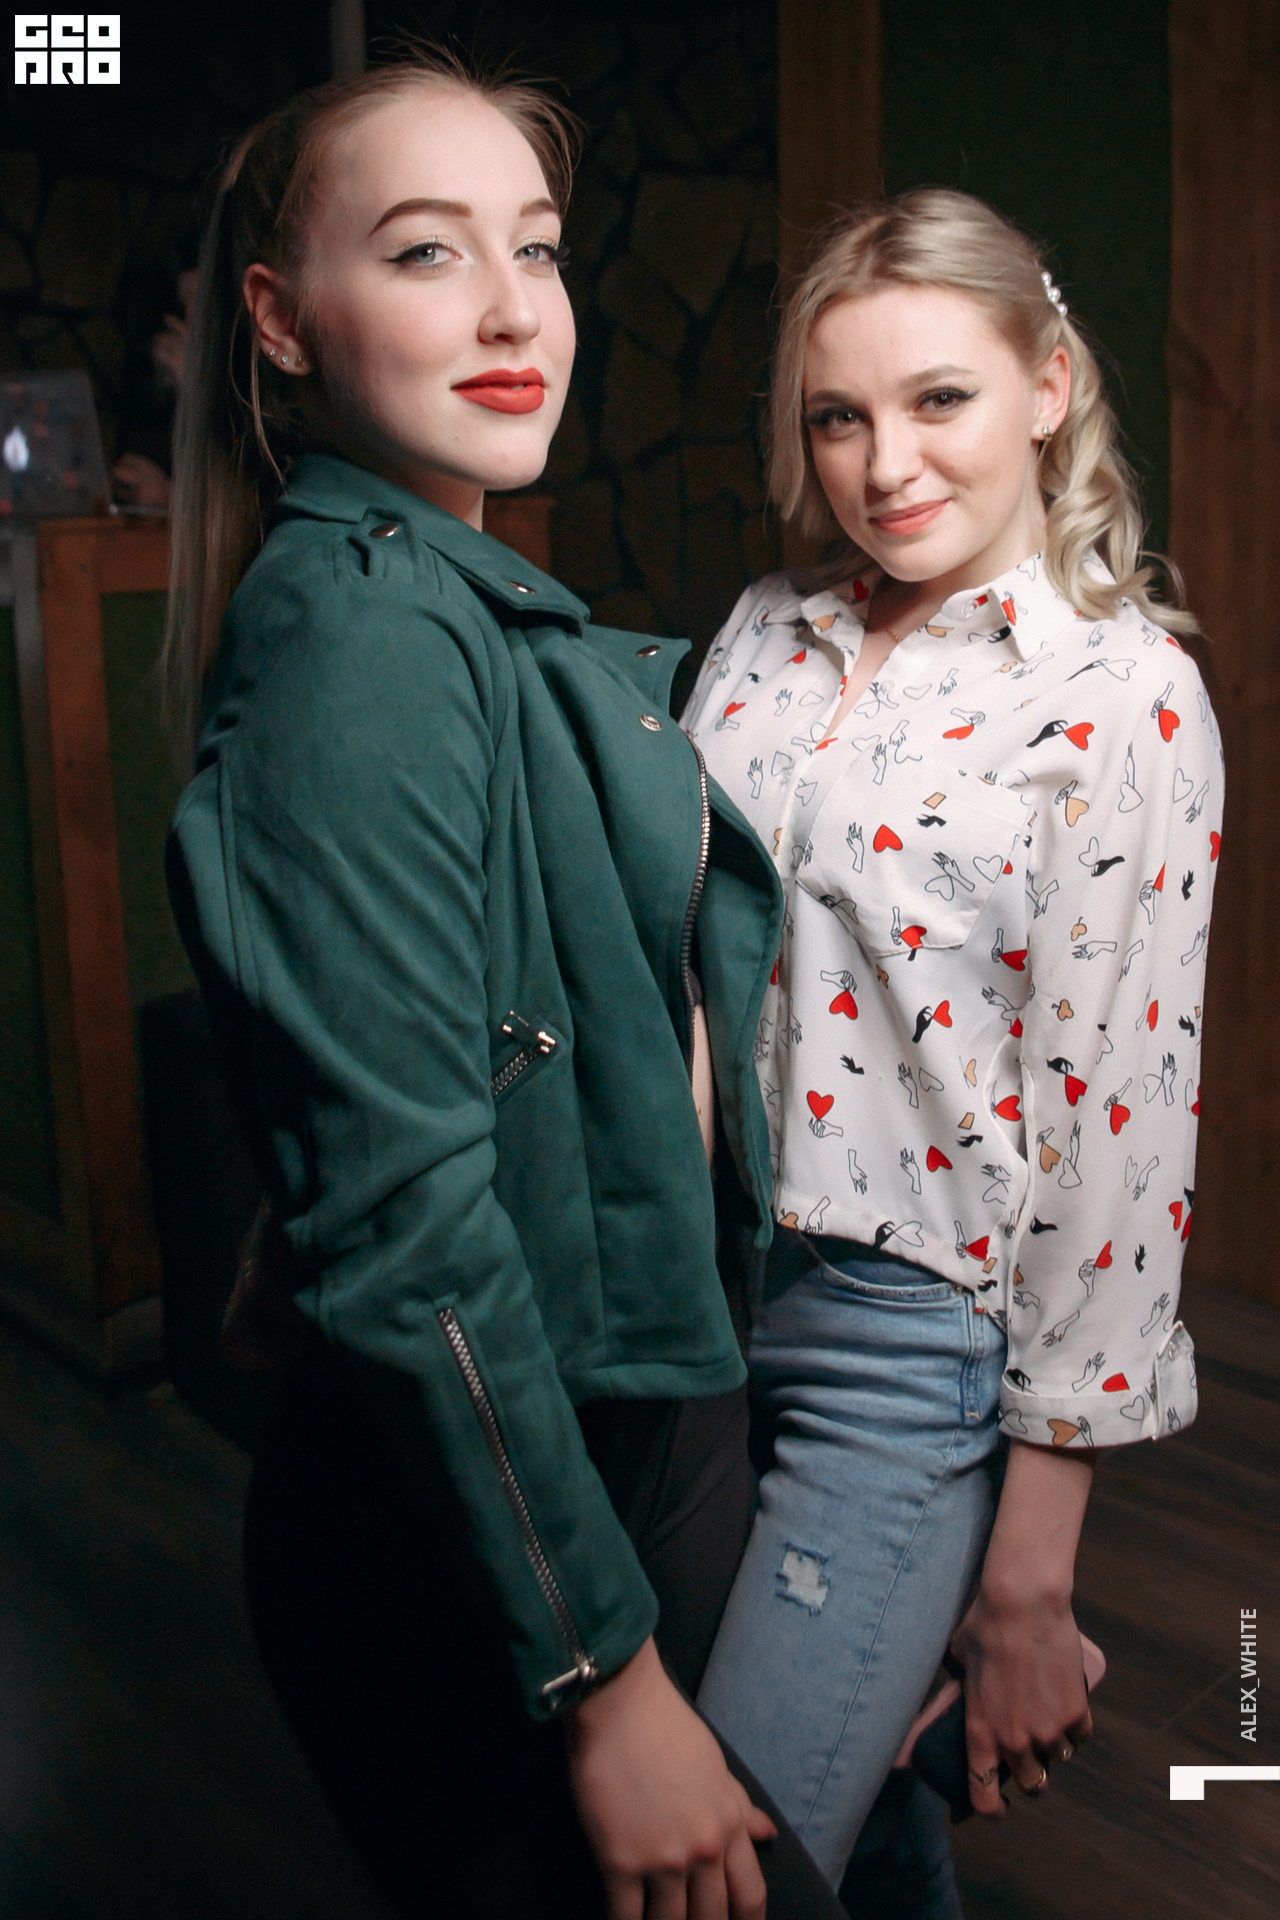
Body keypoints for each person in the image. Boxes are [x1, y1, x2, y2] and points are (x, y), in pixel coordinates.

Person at [162, 47, 846, 1920]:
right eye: (424, 251)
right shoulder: (364, 643)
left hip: (614, 1431)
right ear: (281, 321)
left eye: (533, 247)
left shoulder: (451, 605)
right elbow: (407, 1221)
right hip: (515, 1531)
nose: (509, 309)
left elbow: (434, 1050)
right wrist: (603, 1678)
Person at [683, 188, 1223, 1914]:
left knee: (736, 1854)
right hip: (689, 1297)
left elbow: (1117, 1131)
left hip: (900, 1344)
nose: (885, 463)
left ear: (1048, 386)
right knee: (847, 1827)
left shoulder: (1123, 696)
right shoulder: (766, 632)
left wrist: (1028, 1582)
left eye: (940, 400)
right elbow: (675, 958)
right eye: (838, 416)